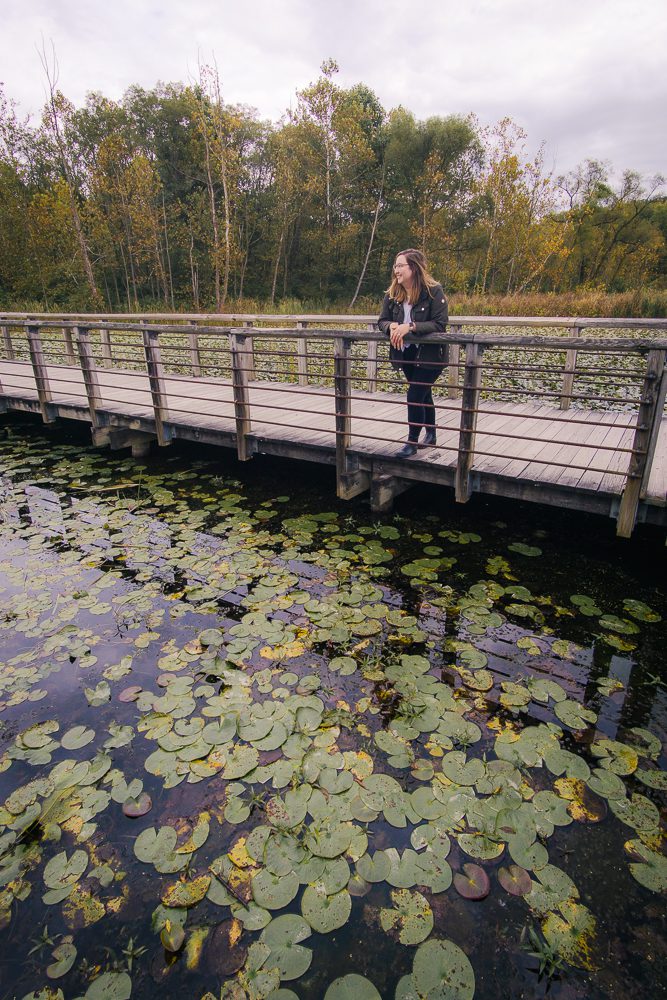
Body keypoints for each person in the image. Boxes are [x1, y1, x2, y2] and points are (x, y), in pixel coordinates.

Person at [377, 248, 448, 458]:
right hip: (405, 353)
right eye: (395, 266)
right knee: (423, 393)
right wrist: (391, 326)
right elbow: (381, 320)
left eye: (400, 265)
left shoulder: (434, 291)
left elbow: (440, 324)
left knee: (415, 395)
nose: (396, 270)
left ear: (413, 268)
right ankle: (432, 434)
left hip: (430, 355)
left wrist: (411, 327)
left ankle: (411, 442)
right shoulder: (393, 294)